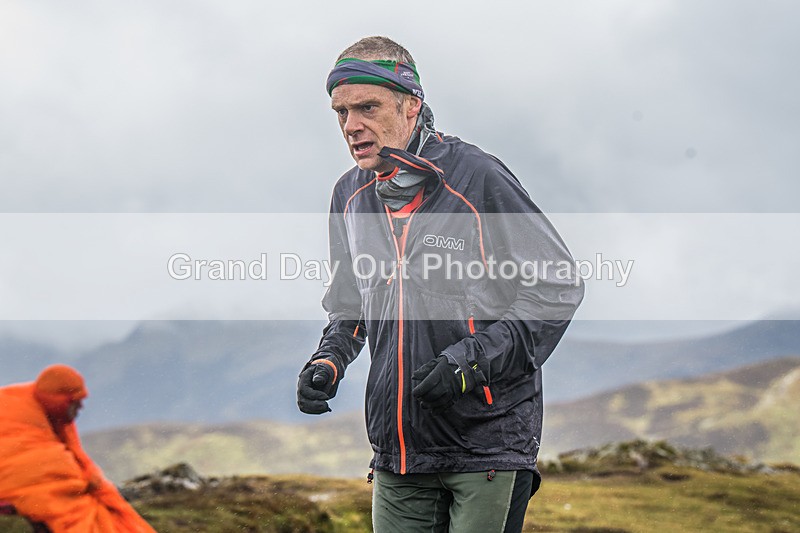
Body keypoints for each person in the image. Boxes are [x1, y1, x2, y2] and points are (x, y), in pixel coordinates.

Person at [296, 36, 584, 532]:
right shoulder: (349, 195)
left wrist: (470, 363)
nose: (351, 126)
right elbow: (350, 302)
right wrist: (330, 358)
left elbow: (557, 287)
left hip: (485, 444)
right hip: (399, 451)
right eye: (341, 112)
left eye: (368, 107)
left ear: (412, 106)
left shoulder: (477, 178)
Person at [0, 364, 156, 533]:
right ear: (59, 401)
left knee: (102, 510)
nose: (81, 408)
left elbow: (75, 457)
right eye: (75, 402)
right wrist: (78, 482)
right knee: (85, 516)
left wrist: (92, 482)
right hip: (18, 483)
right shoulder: (19, 410)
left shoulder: (46, 408)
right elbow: (34, 465)